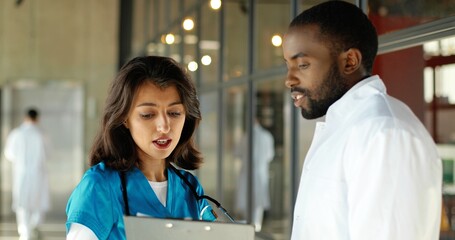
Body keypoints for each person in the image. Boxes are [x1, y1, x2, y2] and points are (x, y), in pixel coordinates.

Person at [282, 1, 442, 240]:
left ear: (350, 62)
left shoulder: (384, 133)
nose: (289, 80)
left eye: (302, 64)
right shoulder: (346, 129)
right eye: (288, 66)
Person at [66, 56, 217, 239]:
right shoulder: (100, 186)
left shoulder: (190, 188)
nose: (164, 126)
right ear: (124, 119)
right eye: (147, 115)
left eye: (174, 113)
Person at [4, 108, 50, 240]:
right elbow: (48, 154)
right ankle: (34, 227)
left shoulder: (17, 134)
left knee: (22, 203)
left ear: (25, 118)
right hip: (38, 174)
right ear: (37, 118)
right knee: (38, 201)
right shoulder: (42, 134)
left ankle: (25, 231)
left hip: (21, 174)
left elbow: (9, 154)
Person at [234, 118, 275, 232]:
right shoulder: (267, 136)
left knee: (247, 199)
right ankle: (257, 225)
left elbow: (237, 153)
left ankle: (248, 226)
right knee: (258, 202)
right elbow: (270, 156)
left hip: (247, 172)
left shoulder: (245, 136)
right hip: (261, 173)